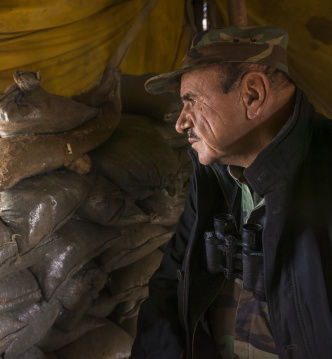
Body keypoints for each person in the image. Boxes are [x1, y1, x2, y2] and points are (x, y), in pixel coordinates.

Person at [131, 26, 332, 359]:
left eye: (191, 101)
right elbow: (172, 285)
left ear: (252, 95)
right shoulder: (215, 175)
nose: (181, 123)